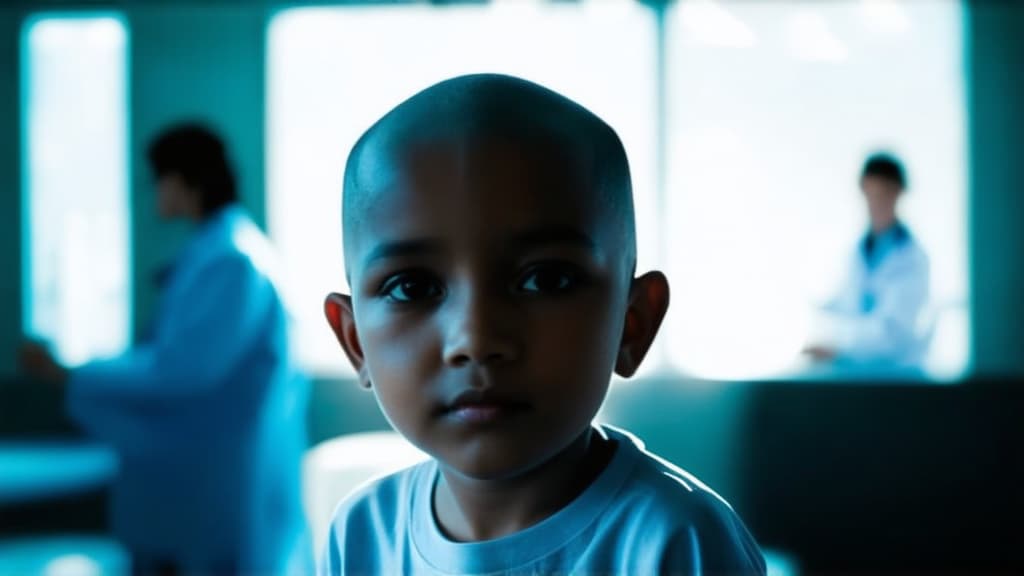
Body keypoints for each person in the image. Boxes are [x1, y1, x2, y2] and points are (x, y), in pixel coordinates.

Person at [319, 74, 765, 575]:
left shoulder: (674, 542)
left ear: (632, 323)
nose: (477, 339)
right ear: (355, 342)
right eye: (413, 288)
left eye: (546, 279)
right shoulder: (361, 535)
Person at [19, 123, 311, 576]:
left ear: (183, 180)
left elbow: (183, 370)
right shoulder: (221, 251)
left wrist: (70, 372)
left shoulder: (231, 261)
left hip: (218, 478)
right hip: (216, 472)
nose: (154, 191)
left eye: (158, 179)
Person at [804, 152, 931, 369]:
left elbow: (893, 332)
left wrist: (840, 347)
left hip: (897, 377)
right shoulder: (857, 253)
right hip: (856, 374)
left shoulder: (912, 258)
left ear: (899, 193)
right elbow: (847, 305)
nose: (876, 202)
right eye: (871, 193)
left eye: (884, 193)